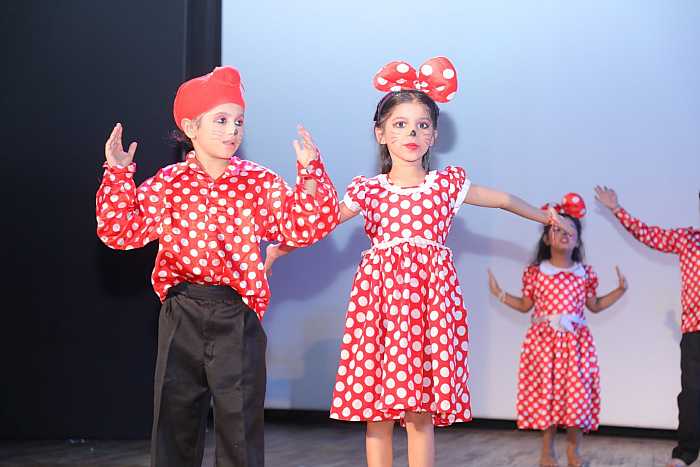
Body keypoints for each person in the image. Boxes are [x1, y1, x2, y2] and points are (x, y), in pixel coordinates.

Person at [96, 66, 339, 467]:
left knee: (240, 423)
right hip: (182, 310)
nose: (232, 130)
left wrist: (310, 173)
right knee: (175, 419)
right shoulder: (169, 183)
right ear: (191, 127)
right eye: (221, 120)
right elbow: (119, 231)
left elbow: (305, 225)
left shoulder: (257, 182)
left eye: (238, 121)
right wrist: (119, 174)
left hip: (235, 313)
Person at [595, 186, 700, 467]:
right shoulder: (689, 239)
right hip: (695, 332)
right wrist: (617, 210)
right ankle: (686, 453)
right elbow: (649, 235)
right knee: (692, 394)